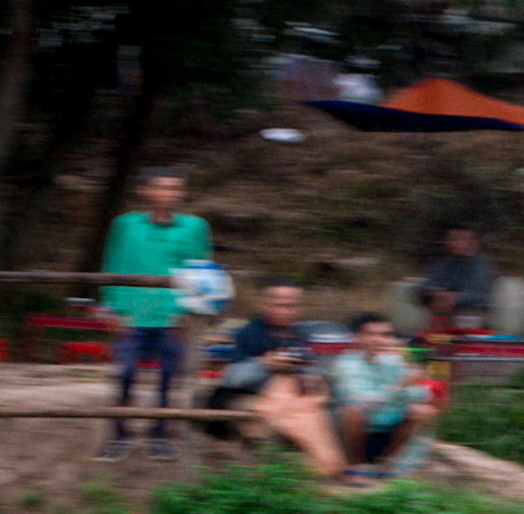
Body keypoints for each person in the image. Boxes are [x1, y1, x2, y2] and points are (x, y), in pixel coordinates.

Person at [95, 168, 211, 461]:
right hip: (132, 312)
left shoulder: (194, 227)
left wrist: (189, 311)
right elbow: (113, 264)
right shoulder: (125, 225)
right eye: (161, 187)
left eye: (174, 188)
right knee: (125, 374)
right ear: (144, 191)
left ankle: (159, 435)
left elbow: (202, 271)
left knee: (168, 378)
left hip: (172, 315)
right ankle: (120, 435)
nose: (168, 194)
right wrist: (113, 307)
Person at [210, 280, 347, 477]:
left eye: (291, 305)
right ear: (264, 304)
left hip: (289, 400)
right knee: (291, 417)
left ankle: (326, 468)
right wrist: (265, 364)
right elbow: (231, 378)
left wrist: (311, 377)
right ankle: (315, 471)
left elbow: (312, 367)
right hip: (247, 398)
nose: (285, 311)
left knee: (316, 409)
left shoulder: (298, 333)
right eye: (279, 305)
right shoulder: (249, 333)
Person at [329, 312, 434, 477]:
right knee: (353, 411)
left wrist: (408, 367)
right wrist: (400, 386)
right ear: (357, 337)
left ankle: (384, 465)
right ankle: (358, 466)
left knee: (423, 411)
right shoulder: (346, 364)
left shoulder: (392, 361)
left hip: (385, 424)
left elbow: (421, 396)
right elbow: (361, 401)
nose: (379, 340)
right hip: (352, 431)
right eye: (371, 334)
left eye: (385, 335)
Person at [418, 225, 497, 324]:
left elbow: (480, 295)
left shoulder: (481, 265)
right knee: (436, 305)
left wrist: (454, 298)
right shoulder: (443, 264)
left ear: (472, 242)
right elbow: (427, 285)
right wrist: (434, 293)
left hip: (474, 312)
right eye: (452, 239)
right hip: (446, 310)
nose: (455, 243)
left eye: (461, 239)